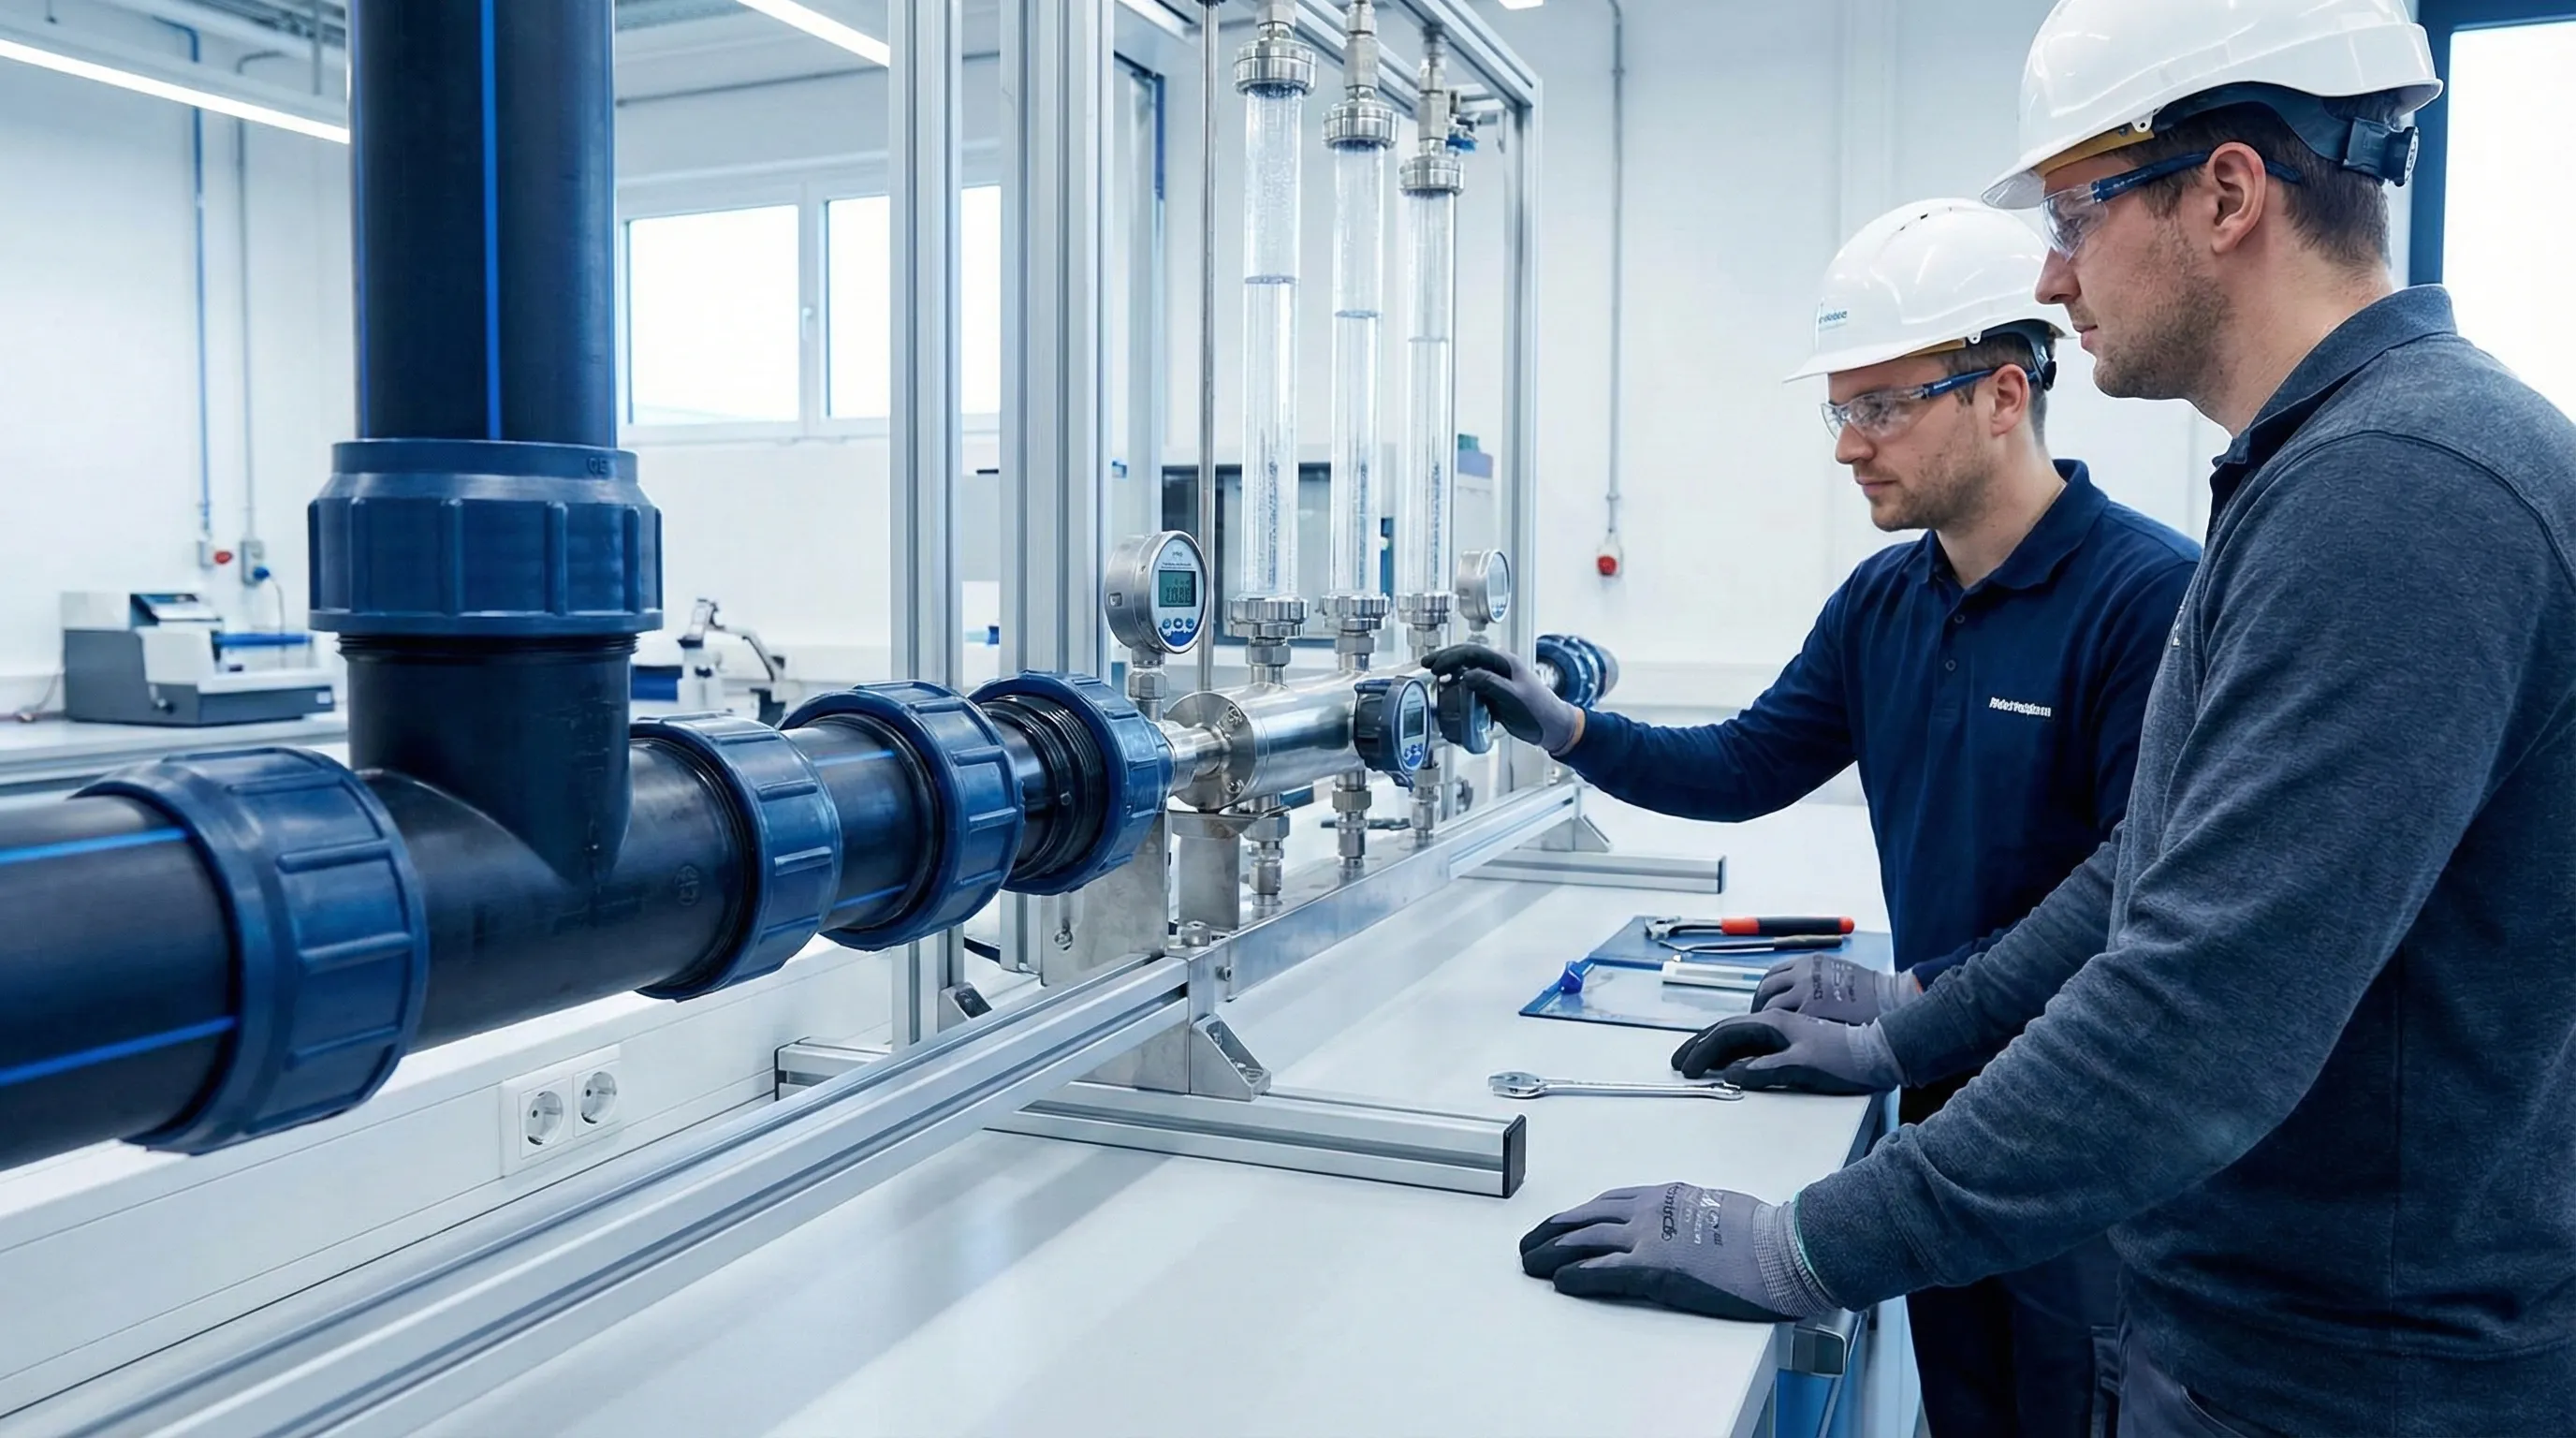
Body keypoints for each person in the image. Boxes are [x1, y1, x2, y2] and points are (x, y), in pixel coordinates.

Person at [1515, 1, 2576, 1433]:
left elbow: (2196, 1014)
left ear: (2226, 193)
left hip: (2358, 1376)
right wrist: (1906, 1038)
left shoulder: (2400, 493)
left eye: (2077, 210)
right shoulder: (2319, 474)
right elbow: (2152, 883)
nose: (2058, 271)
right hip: (2251, 1321)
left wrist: (1806, 1243)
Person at [1432, 198, 2197, 1437]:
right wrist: (1569, 730)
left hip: (2085, 1144)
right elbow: (1745, 762)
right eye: (1840, 410)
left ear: (2005, 395)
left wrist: (1903, 1010)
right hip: (1941, 1120)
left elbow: (2131, 892)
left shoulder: (2146, 599)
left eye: (1883, 406)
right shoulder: (1885, 601)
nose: (1851, 446)